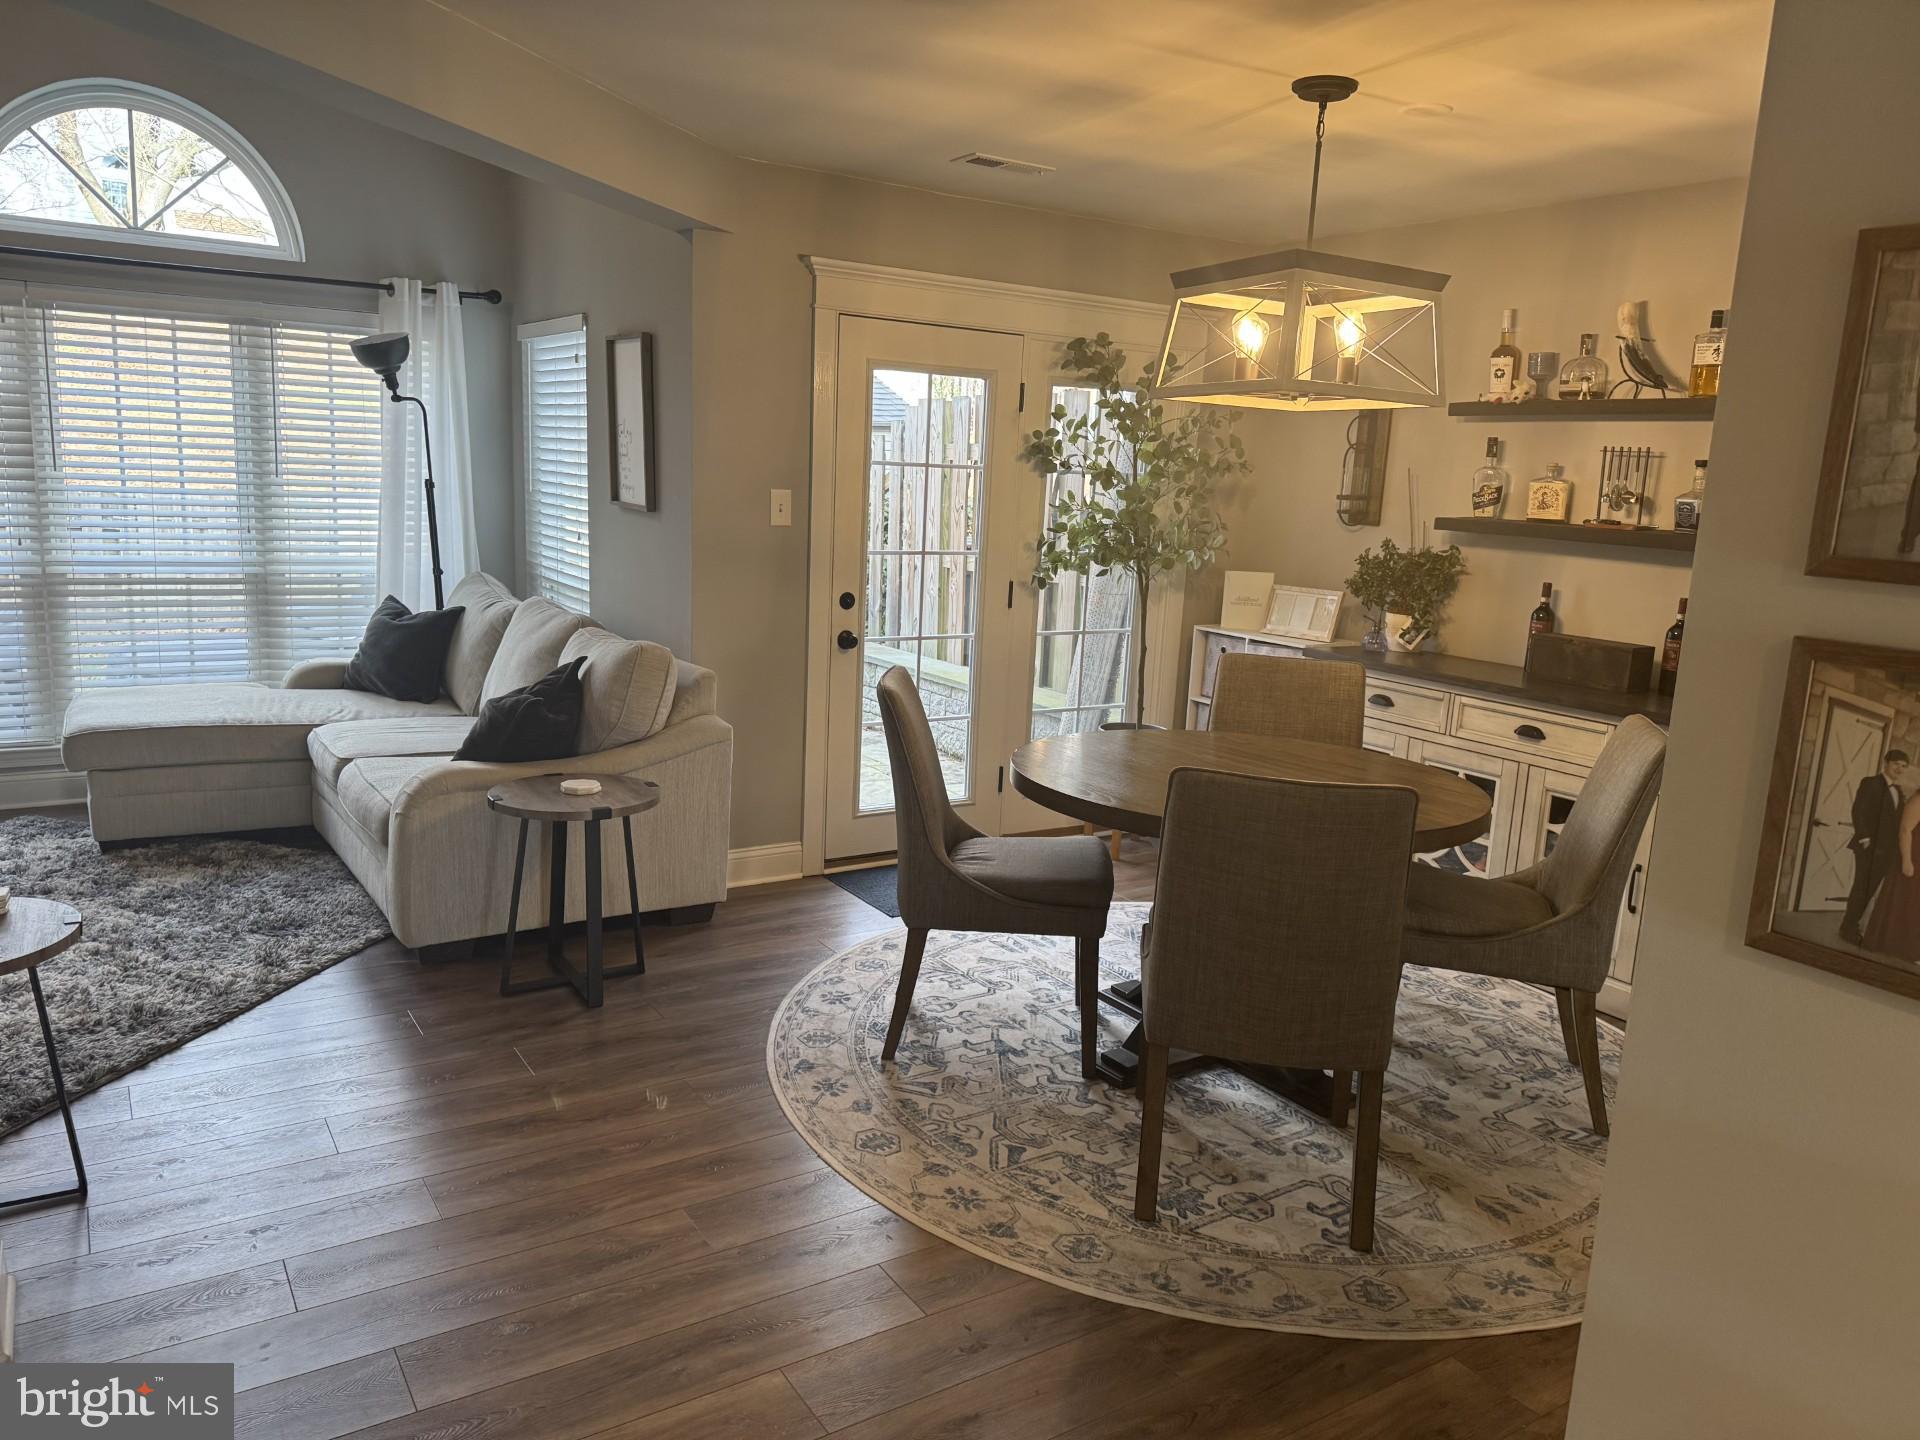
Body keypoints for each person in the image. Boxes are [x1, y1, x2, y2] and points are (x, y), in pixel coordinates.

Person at [1841, 748, 1908, 946]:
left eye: (1903, 766)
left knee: (1869, 890)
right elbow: (1858, 811)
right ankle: (1848, 928)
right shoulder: (1870, 783)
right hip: (1868, 848)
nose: (1899, 768)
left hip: (1886, 852)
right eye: (1896, 763)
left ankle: (1851, 925)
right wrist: (1864, 839)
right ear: (1885, 763)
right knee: (1861, 888)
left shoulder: (1899, 791)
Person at [1864, 788, 1920, 963]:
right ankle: (1899, 947)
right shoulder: (1918, 799)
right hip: (1911, 857)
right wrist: (1906, 861)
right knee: (1904, 901)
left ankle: (1910, 947)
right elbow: (1905, 830)